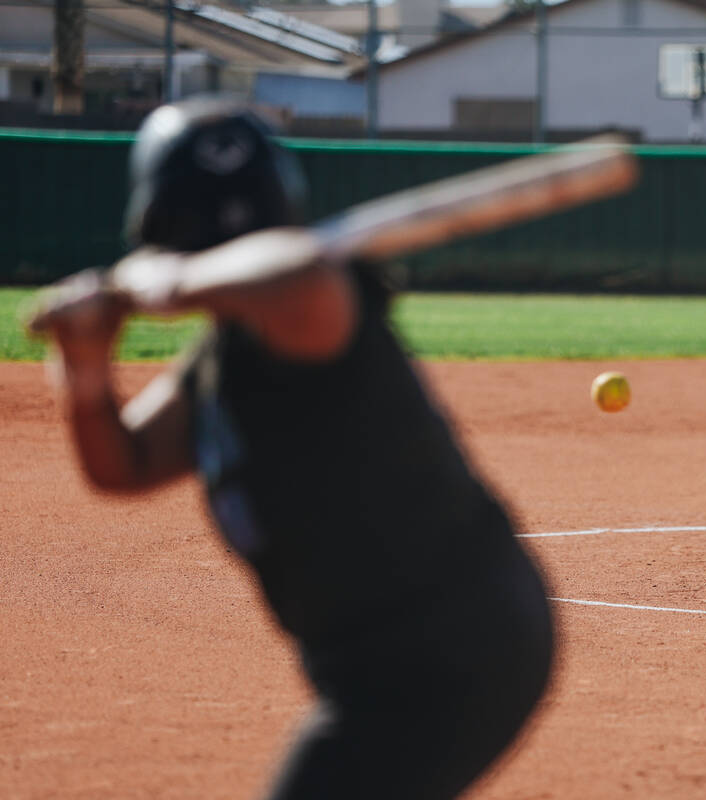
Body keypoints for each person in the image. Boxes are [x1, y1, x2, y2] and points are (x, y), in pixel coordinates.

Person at [27, 97, 553, 798]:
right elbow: (124, 466)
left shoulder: (319, 306)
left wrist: (163, 281)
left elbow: (292, 271)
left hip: (456, 653)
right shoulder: (222, 360)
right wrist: (86, 369)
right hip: (373, 670)